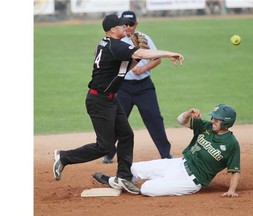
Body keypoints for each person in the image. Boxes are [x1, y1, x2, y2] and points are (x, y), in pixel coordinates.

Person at [52, 13, 184, 195]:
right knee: (104, 146)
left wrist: (135, 58)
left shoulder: (107, 44)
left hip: (110, 99)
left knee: (126, 135)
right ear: (113, 30)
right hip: (99, 101)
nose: (126, 28)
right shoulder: (115, 45)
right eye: (122, 26)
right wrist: (170, 54)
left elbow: (124, 69)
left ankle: (123, 177)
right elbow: (144, 53)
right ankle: (64, 156)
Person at [93, 104, 241, 197]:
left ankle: (118, 182)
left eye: (217, 119)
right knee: (132, 168)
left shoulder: (231, 144)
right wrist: (188, 113)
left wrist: (232, 190)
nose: (213, 120)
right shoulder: (206, 126)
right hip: (178, 164)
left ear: (227, 122)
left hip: (190, 180)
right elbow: (180, 120)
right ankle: (118, 181)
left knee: (146, 189)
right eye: (213, 117)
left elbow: (235, 170)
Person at [103, 11, 172, 164]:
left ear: (136, 25)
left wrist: (143, 69)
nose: (128, 27)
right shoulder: (116, 40)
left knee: (155, 119)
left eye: (131, 24)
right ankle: (109, 152)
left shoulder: (143, 38)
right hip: (123, 88)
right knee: (116, 121)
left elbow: (157, 60)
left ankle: (166, 154)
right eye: (125, 24)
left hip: (144, 87)